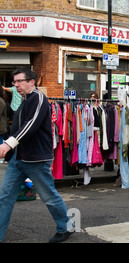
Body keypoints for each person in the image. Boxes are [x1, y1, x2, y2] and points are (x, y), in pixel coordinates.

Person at [0, 69, 74, 243]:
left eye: (19, 81)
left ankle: (66, 226)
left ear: (32, 82)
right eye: (14, 82)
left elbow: (30, 125)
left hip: (36, 160)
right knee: (4, 197)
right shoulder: (25, 100)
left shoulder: (38, 98)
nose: (16, 85)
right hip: (19, 159)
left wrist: (9, 143)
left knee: (49, 196)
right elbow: (19, 126)